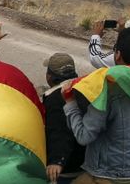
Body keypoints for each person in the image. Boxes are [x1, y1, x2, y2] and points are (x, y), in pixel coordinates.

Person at [64, 28, 130, 184]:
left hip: (114, 174)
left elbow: (84, 136)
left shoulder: (107, 86)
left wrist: (70, 103)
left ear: (118, 54)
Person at [42, 53, 86, 184]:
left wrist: (57, 160)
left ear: (49, 76)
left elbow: (58, 130)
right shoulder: (83, 87)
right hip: (86, 161)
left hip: (66, 169)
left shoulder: (54, 99)